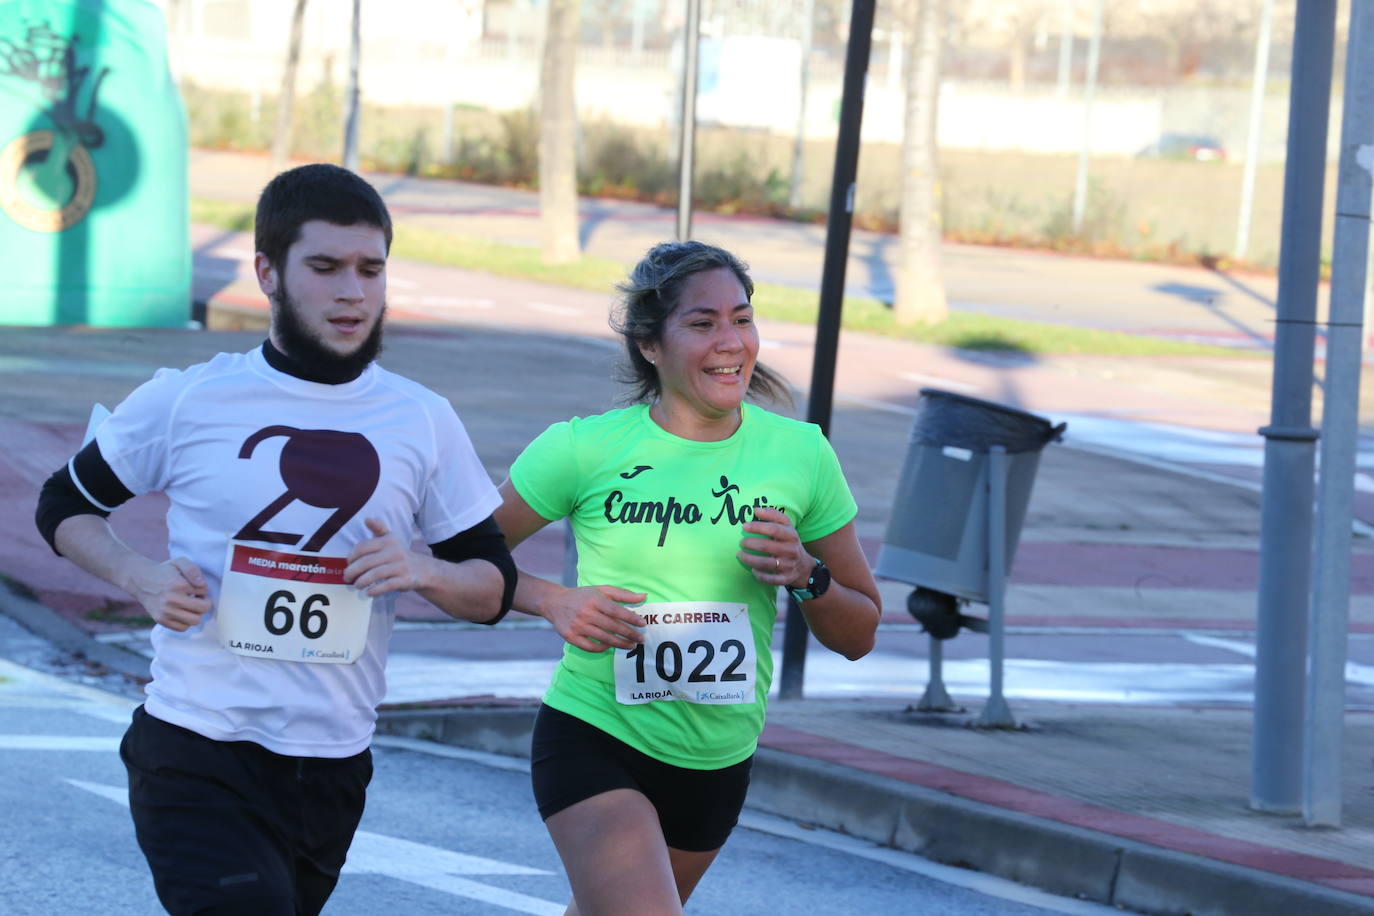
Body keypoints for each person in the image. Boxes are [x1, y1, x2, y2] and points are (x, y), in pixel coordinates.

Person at [33, 163, 517, 916]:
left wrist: (421, 571)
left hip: (333, 763)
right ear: (268, 272)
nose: (353, 292)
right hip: (196, 746)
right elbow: (63, 504)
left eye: (370, 269)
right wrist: (140, 576)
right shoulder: (189, 397)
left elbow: (491, 586)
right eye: (324, 268)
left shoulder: (422, 418)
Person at [493, 240, 882, 914]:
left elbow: (860, 633)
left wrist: (806, 574)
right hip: (598, 733)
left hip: (717, 759)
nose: (730, 342)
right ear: (651, 344)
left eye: (742, 317)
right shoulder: (584, 448)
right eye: (702, 324)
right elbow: (462, 554)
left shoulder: (800, 454)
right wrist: (552, 600)